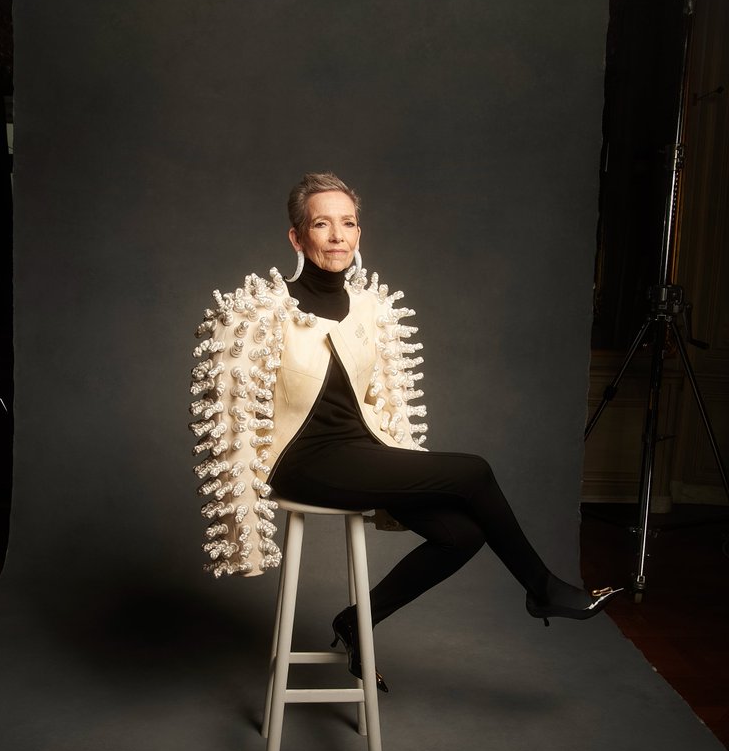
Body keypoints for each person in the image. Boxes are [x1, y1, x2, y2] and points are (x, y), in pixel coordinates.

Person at [190, 172, 620, 689]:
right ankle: (543, 588)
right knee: (473, 472)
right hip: (301, 462)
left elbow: (381, 401)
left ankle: (355, 622)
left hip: (362, 451)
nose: (337, 236)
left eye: (347, 223)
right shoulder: (263, 311)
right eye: (321, 224)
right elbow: (229, 420)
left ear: (358, 233)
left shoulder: (369, 309)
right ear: (296, 237)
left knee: (462, 534)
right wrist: (245, 519)